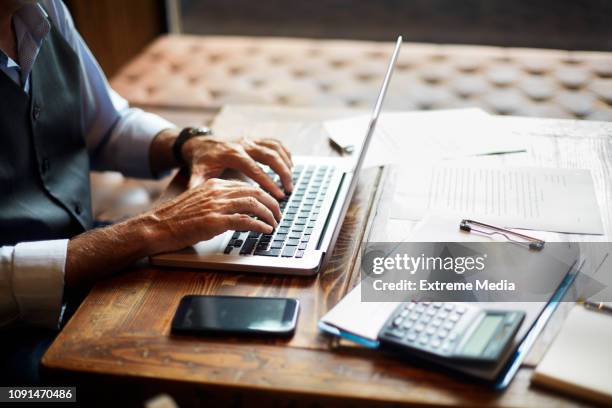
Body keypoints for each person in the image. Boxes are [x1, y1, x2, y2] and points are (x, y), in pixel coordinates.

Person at [0, 0, 293, 380]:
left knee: (238, 339)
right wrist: (149, 229)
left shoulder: (43, 9)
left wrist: (189, 143)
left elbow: (107, 127)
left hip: (88, 269)